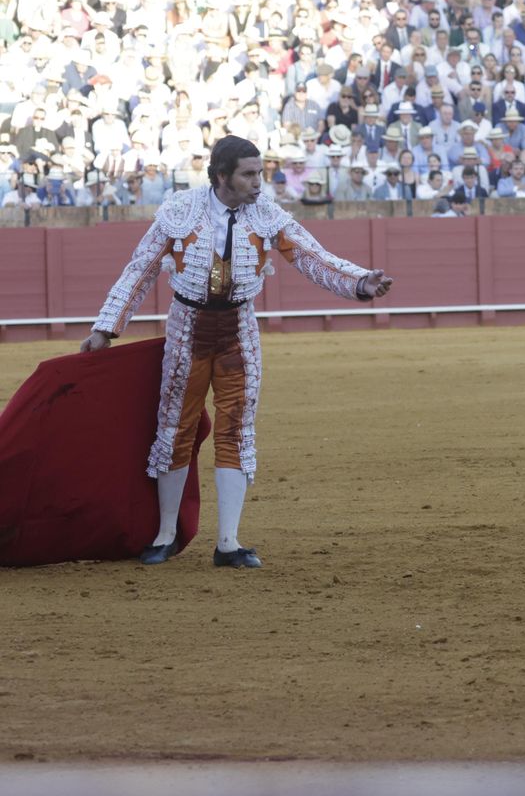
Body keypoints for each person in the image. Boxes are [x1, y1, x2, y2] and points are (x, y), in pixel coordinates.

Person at [80, 136, 394, 570]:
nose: (257, 182)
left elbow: (312, 257)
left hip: (239, 331)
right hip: (186, 329)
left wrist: (360, 281)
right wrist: (105, 327)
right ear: (221, 175)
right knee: (174, 429)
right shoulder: (179, 210)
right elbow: (141, 269)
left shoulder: (267, 213)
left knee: (236, 430)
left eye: (259, 173)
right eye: (248, 174)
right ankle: (166, 534)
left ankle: (228, 542)